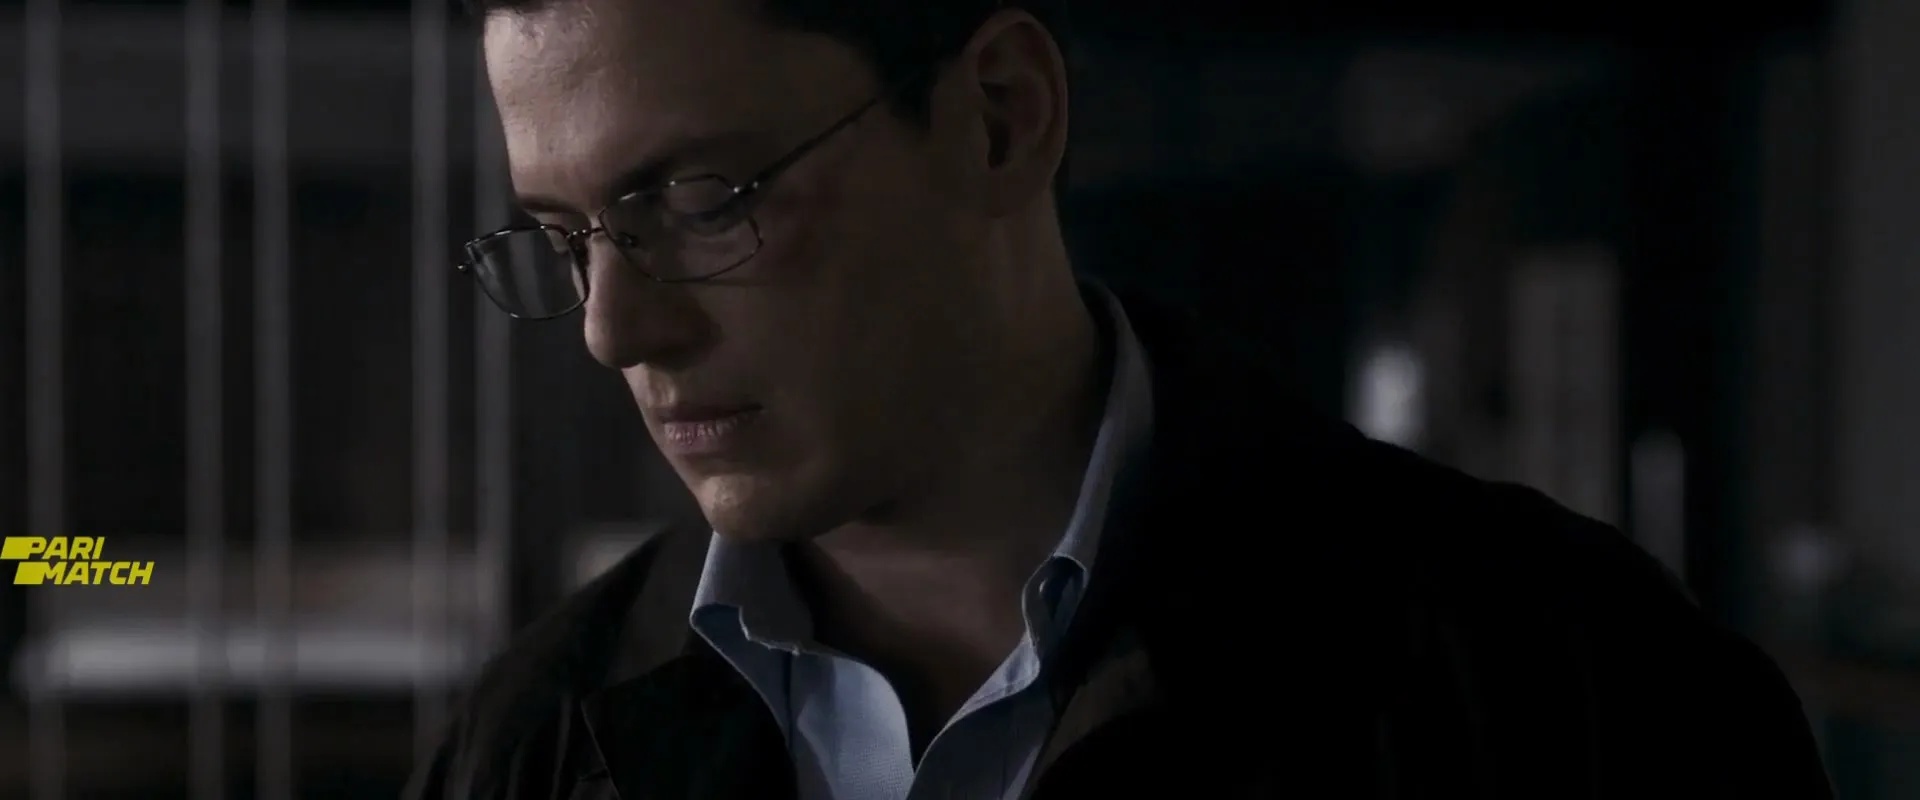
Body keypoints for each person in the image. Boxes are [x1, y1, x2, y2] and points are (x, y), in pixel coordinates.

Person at [407, 0, 1834, 797]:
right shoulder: (527, 746)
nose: (611, 328)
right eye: (565, 237)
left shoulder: (1568, 687)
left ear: (1000, 117)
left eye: (703, 200)